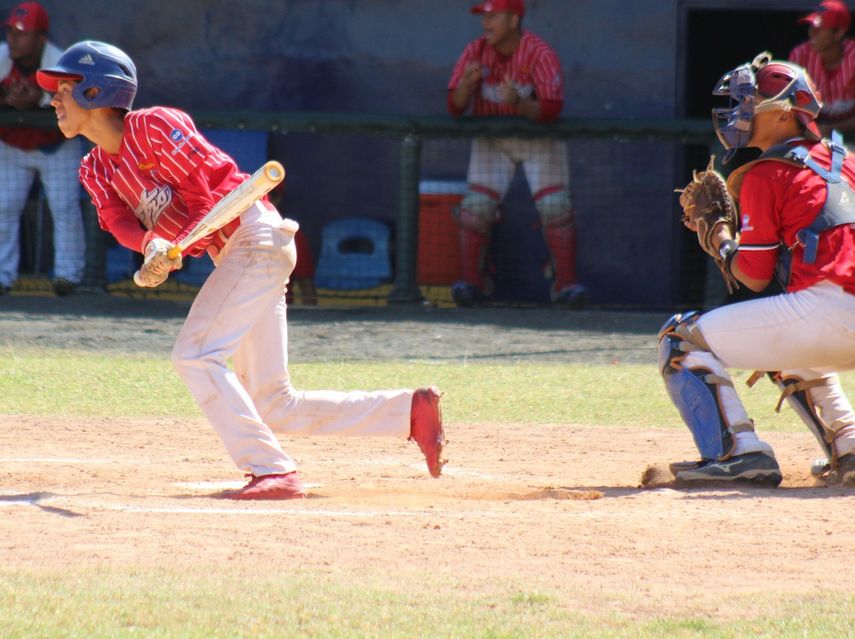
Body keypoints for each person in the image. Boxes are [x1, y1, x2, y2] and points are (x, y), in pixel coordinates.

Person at [37, 40, 446, 500]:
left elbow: (207, 189)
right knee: (274, 403)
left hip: (254, 236)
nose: (54, 99)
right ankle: (409, 411)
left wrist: (176, 242)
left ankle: (272, 471)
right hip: (234, 254)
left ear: (96, 92)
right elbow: (117, 220)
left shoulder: (155, 126)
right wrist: (152, 246)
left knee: (194, 354)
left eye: (65, 88)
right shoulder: (94, 168)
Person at [659, 52, 855, 487]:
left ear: (786, 113)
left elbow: (752, 274)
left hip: (827, 311)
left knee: (680, 337)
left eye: (750, 102)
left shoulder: (767, 172)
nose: (739, 112)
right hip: (834, 310)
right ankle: (850, 446)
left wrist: (720, 240)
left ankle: (739, 453)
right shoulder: (849, 163)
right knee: (789, 339)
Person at [446, 0, 586, 308]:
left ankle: (565, 285)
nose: (486, 23)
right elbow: (453, 106)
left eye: (493, 16)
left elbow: (551, 108)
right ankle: (472, 282)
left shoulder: (539, 52)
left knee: (556, 208)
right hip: (492, 141)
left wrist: (519, 103)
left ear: (513, 19)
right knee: (474, 209)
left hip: (538, 139)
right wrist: (466, 89)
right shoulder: (475, 51)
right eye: (484, 16)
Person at [0, 1, 84, 296]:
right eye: (10, 32)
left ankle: (67, 277)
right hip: (12, 145)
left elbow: (78, 112)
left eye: (22, 34)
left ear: (40, 38)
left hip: (56, 148)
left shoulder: (59, 62)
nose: (13, 39)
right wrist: (6, 100)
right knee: (3, 208)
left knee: (63, 209)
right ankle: (1, 276)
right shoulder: (1, 57)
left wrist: (37, 101)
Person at [788, 0, 855, 141]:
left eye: (819, 28)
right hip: (811, 133)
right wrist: (811, 128)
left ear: (838, 33)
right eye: (811, 26)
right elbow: (790, 107)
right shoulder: (800, 55)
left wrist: (832, 129)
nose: (812, 32)